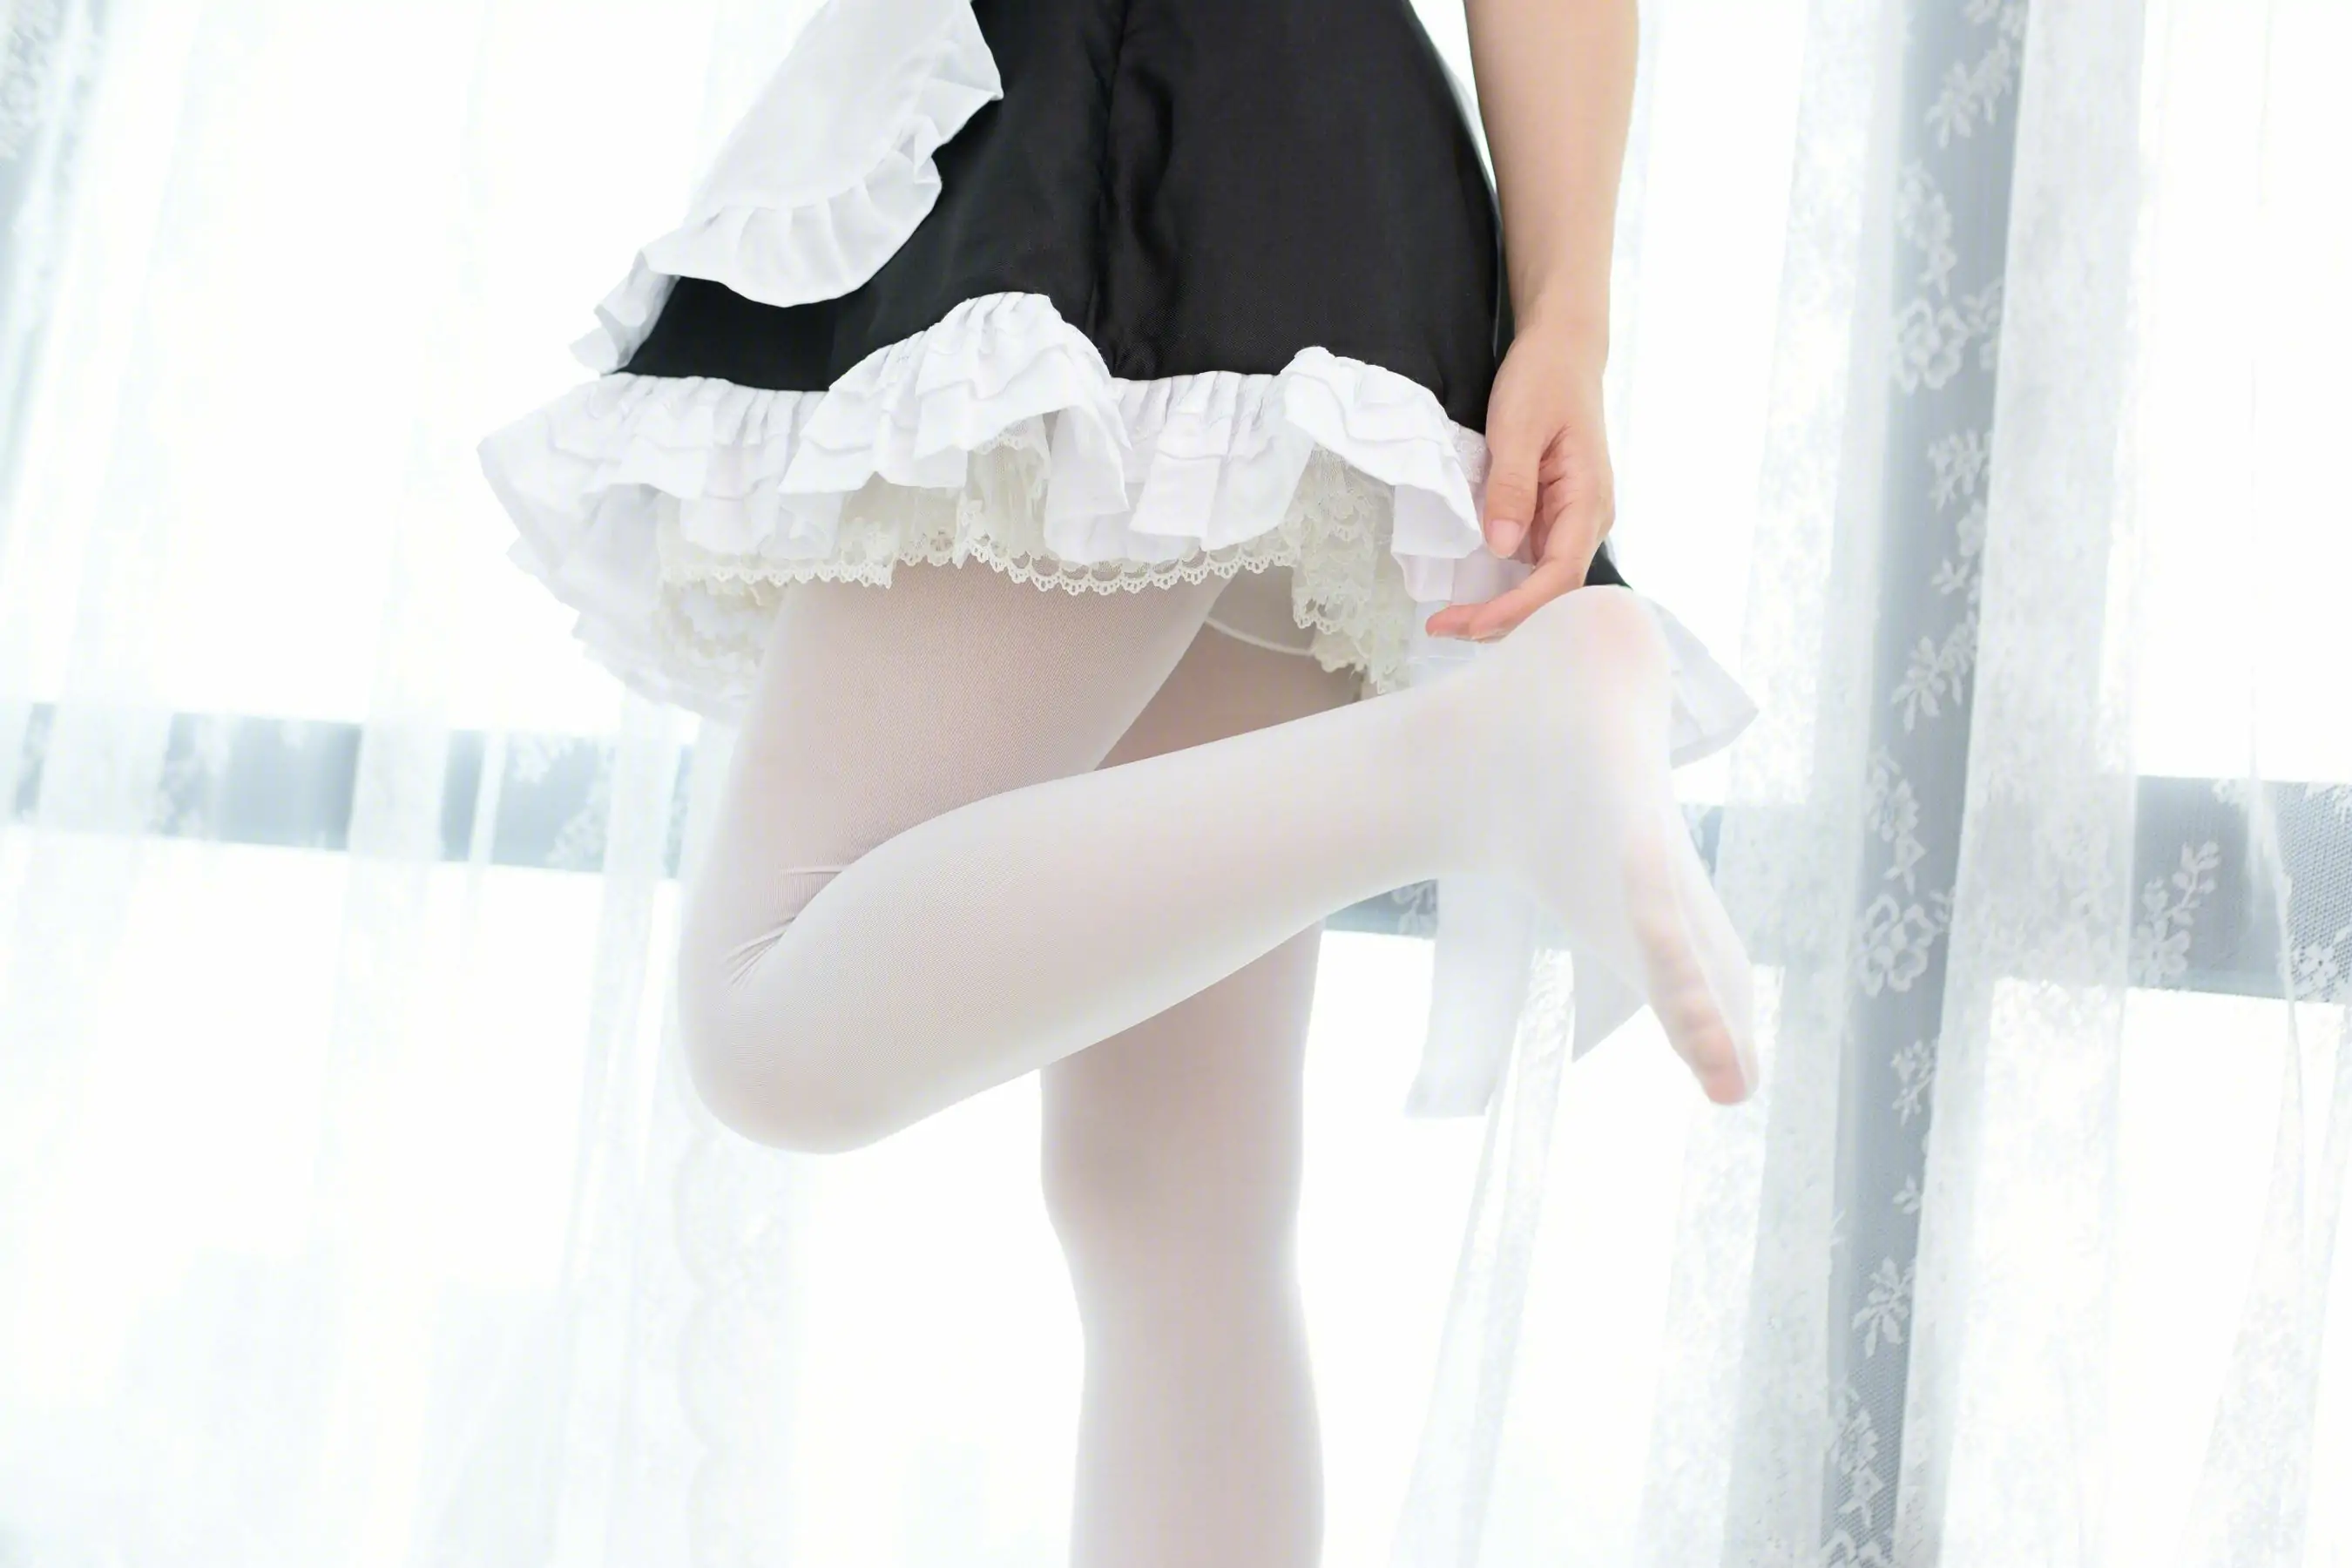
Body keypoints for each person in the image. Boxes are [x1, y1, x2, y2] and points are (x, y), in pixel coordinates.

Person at [478, 0, 1759, 1560]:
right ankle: (1479, 765)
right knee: (1174, 1209)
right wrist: (1563, 320)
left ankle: (1479, 766)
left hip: (1120, 140)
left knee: (771, 1025)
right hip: (1312, 168)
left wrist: (1569, 327)